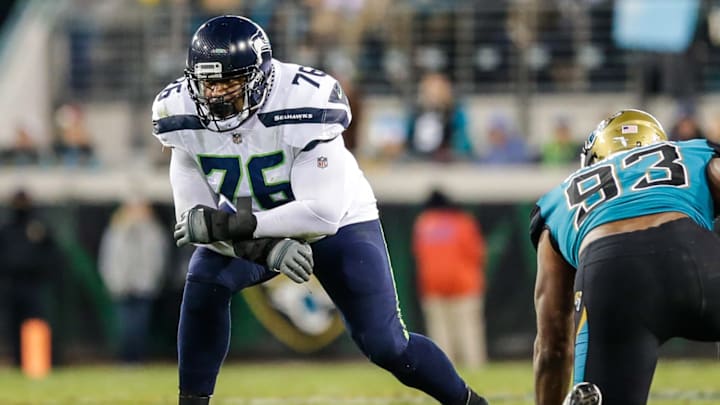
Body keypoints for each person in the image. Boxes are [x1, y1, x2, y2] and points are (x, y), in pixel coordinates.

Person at [151, 15, 487, 405]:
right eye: (207, 83)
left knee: (386, 345)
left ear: (260, 77)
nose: (216, 95)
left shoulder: (302, 100)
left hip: (341, 223)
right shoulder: (179, 114)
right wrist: (268, 248)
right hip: (252, 226)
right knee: (205, 279)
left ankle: (470, 404)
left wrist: (239, 227)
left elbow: (321, 214)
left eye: (229, 82)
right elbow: (197, 223)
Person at [530, 109, 720, 405]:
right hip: (696, 255)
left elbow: (552, 345)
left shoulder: (557, 200)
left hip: (610, 275)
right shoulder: (692, 151)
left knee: (596, 397)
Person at [412, 189, 487, 368]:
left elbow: (418, 255)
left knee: (440, 333)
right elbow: (476, 253)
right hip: (464, 284)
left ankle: (444, 369)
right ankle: (475, 367)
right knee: (469, 330)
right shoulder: (463, 222)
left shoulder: (423, 223)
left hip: (432, 284)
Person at [98, 198, 169, 363]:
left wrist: (152, 280)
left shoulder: (153, 232)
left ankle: (137, 358)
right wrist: (113, 281)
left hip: (143, 285)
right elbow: (108, 259)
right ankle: (126, 359)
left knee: (139, 325)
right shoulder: (115, 231)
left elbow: (158, 259)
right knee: (126, 326)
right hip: (121, 286)